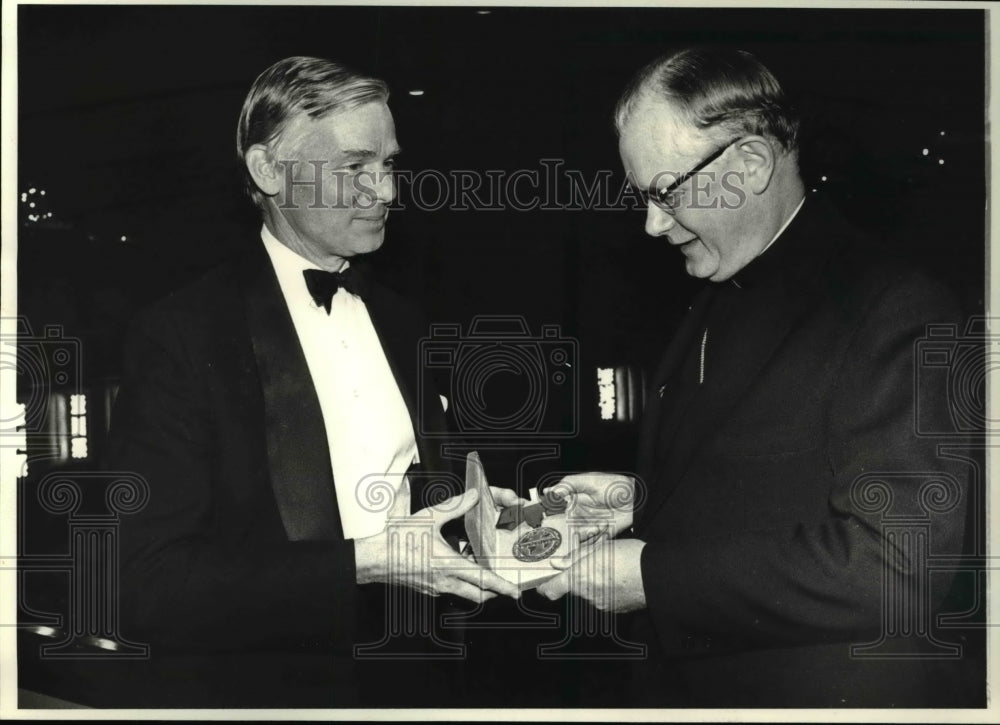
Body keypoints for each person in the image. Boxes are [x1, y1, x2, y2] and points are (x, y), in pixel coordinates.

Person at [539, 47, 975, 707]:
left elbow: (894, 564)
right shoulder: (716, 281)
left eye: (665, 192)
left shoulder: (894, 307)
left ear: (749, 165)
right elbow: (767, 476)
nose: (652, 224)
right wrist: (640, 499)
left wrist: (650, 577)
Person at [106, 56, 518, 707]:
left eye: (389, 165)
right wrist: (363, 563)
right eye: (355, 167)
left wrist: (498, 520)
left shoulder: (404, 317)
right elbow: (143, 581)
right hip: (270, 689)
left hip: (421, 676)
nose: (384, 191)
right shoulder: (183, 334)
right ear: (269, 170)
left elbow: (426, 495)